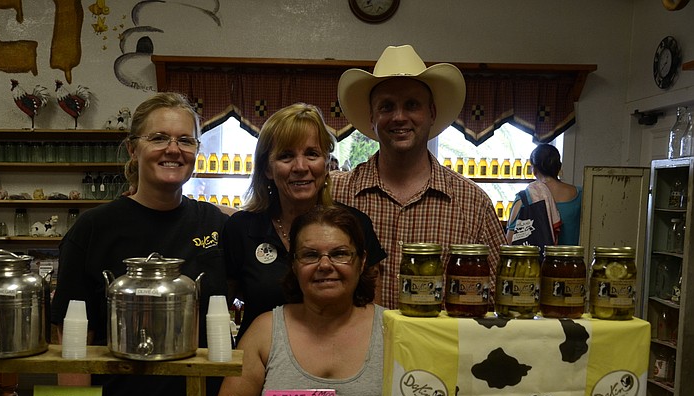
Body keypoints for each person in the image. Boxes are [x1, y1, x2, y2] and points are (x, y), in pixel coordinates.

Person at [52, 92, 228, 396]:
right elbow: (72, 345)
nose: (173, 149)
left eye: (185, 140)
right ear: (133, 149)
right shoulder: (93, 229)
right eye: (159, 138)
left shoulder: (216, 224)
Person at [332, 45, 506, 309]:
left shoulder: (473, 203)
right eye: (386, 106)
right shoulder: (334, 194)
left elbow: (499, 296)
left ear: (432, 113)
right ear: (372, 118)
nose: (399, 117)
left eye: (412, 105)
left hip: (440, 350)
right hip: (354, 350)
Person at [213, 205, 384, 396]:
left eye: (339, 254)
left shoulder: (392, 329)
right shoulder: (266, 329)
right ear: (293, 265)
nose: (325, 265)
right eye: (310, 255)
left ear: (362, 261)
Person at [222, 103, 386, 340]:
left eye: (312, 154)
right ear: (268, 168)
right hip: (261, 363)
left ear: (326, 163)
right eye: (286, 156)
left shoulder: (355, 225)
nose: (301, 167)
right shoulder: (241, 229)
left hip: (342, 363)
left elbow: (373, 316)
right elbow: (217, 311)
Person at [506, 143, 582, 246]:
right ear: (559, 167)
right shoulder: (581, 195)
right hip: (573, 260)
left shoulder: (524, 198)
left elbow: (509, 243)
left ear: (534, 170)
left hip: (537, 261)